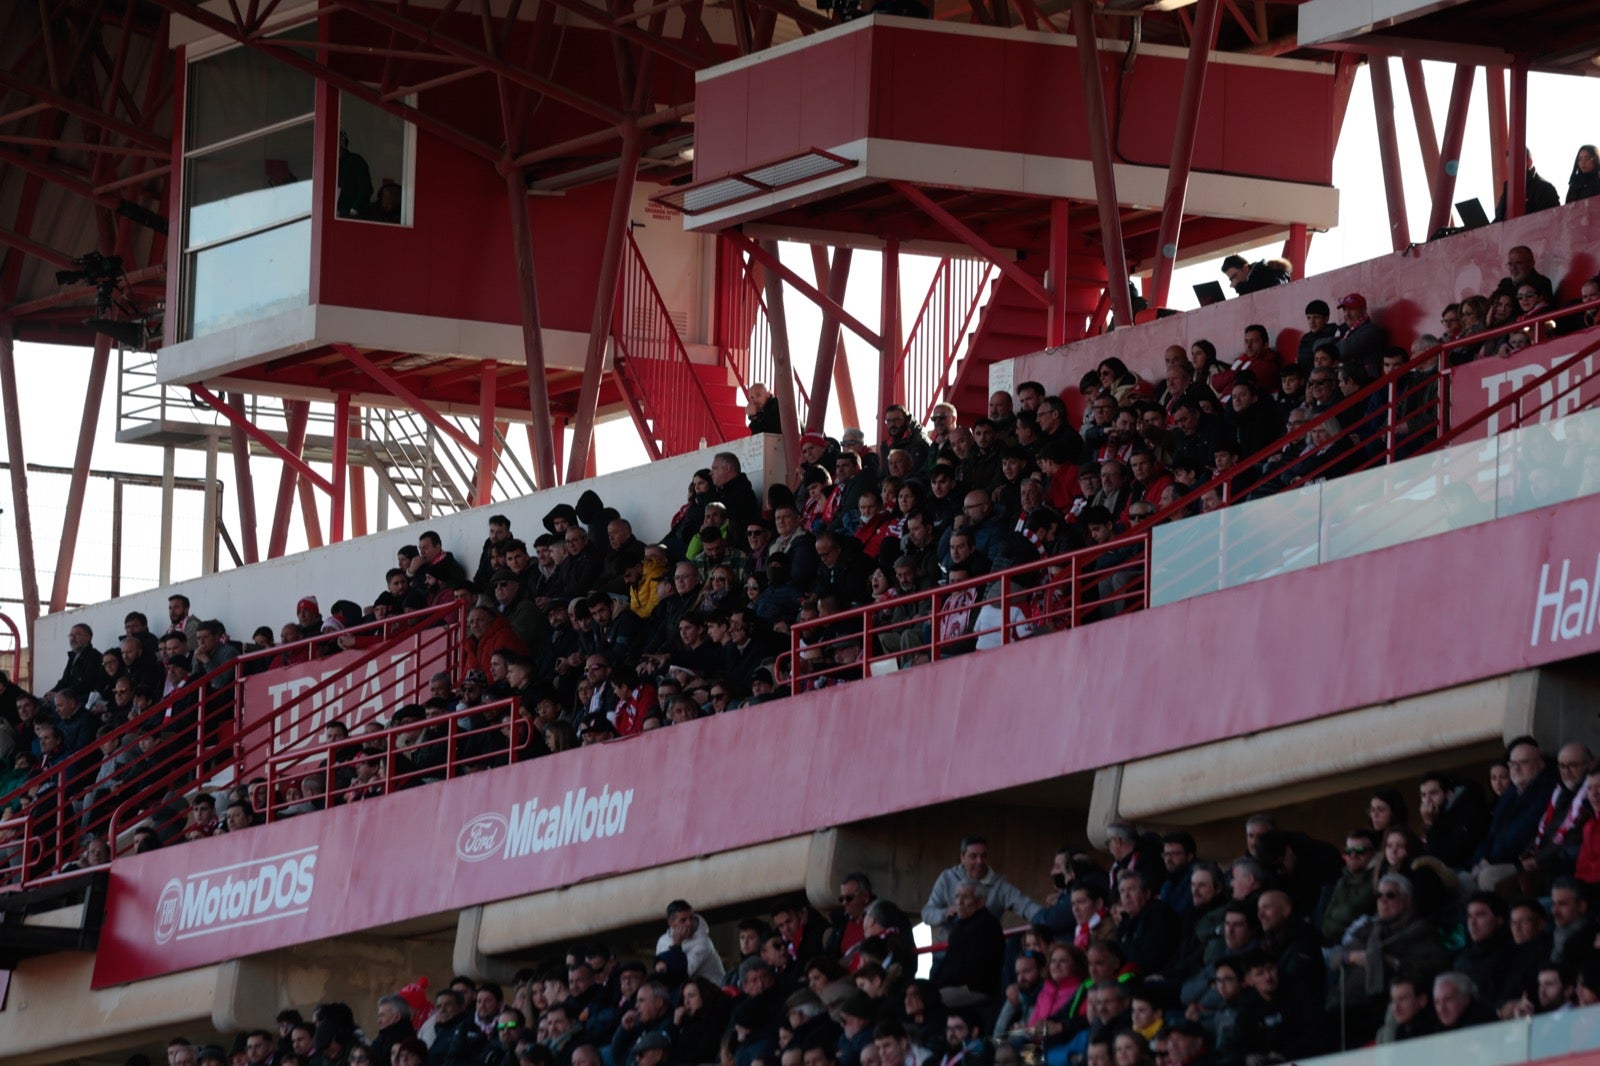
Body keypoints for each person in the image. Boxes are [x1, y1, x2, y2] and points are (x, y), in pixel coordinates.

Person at [921, 836, 1042, 943]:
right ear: (962, 857)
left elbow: (1026, 906)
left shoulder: (999, 886)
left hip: (981, 953)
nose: (979, 861)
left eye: (983, 856)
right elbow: (927, 913)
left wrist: (1047, 918)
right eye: (973, 856)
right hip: (946, 953)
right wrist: (946, 913)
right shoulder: (947, 878)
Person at [1496, 150, 1562, 220]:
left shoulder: (1545, 190)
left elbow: (1550, 222)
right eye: (1509, 166)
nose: (1512, 169)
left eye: (1516, 164)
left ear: (1529, 162)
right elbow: (1497, 222)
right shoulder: (1506, 194)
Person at [1219, 254, 1290, 295]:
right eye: (1231, 280)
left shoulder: (1267, 271)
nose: (1233, 283)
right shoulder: (1250, 284)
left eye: (1234, 276)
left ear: (1245, 268)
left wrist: (1240, 287)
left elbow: (1269, 291)